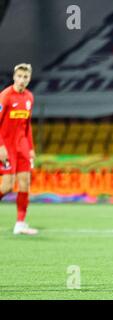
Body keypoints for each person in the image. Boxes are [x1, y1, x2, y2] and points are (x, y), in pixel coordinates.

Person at [0, 63, 38, 235]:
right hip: (6, 146)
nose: (22, 80)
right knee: (7, 186)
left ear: (29, 79)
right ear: (14, 77)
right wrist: (1, 147)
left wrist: (30, 148)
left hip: (22, 146)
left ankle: (20, 223)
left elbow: (27, 125)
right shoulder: (5, 96)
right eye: (20, 76)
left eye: (26, 77)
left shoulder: (29, 97)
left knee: (25, 182)